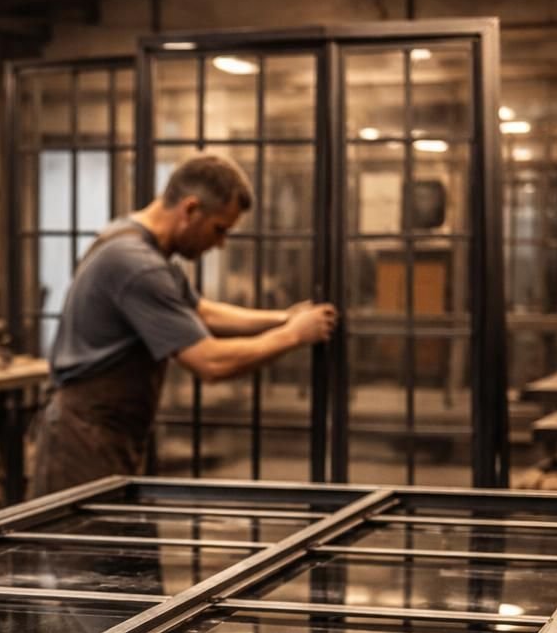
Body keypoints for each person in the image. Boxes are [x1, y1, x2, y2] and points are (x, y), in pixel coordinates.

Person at [32, 153, 338, 494]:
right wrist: (293, 335)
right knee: (80, 546)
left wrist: (283, 317)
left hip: (106, 433)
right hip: (82, 442)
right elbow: (209, 362)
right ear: (190, 209)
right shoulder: (138, 264)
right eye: (219, 229)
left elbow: (202, 313)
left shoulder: (132, 239)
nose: (220, 244)